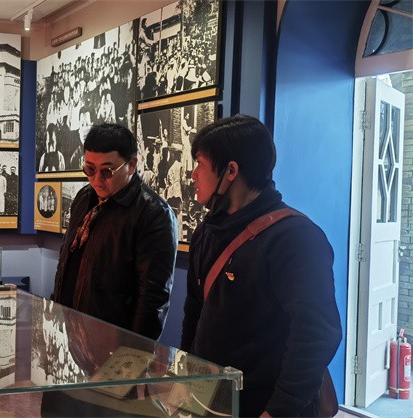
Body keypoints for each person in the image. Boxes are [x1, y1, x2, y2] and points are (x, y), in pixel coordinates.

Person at [180, 115, 341, 417]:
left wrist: (278, 410)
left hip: (263, 405)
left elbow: (317, 332)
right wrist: (187, 379)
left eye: (200, 163)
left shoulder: (295, 237)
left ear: (230, 171)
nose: (193, 173)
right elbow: (194, 311)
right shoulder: (206, 232)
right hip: (209, 398)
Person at [43, 123, 178, 416]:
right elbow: (68, 262)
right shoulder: (85, 198)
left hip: (114, 348)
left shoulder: (153, 213)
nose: (96, 179)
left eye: (106, 171)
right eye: (89, 169)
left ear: (132, 164)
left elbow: (153, 297)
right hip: (74, 338)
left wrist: (130, 362)